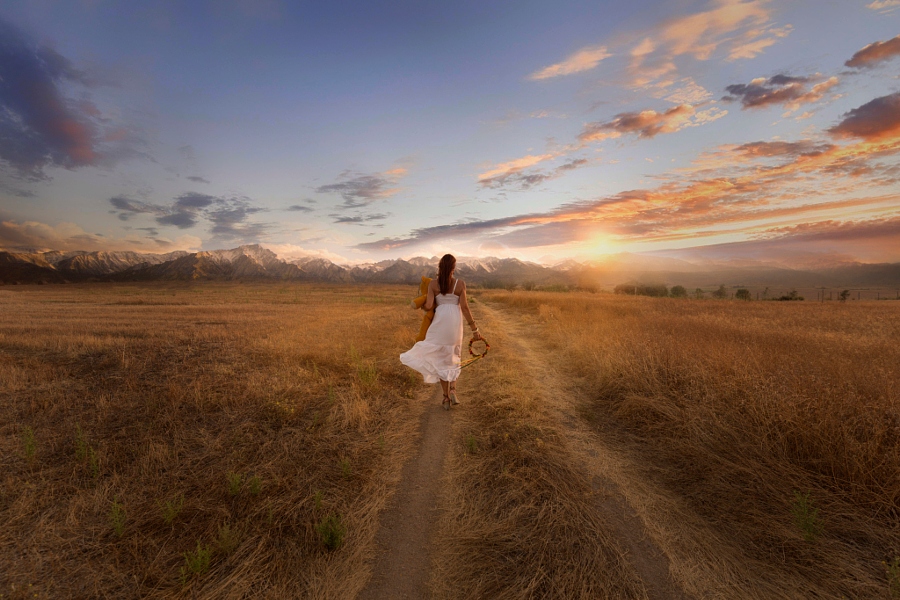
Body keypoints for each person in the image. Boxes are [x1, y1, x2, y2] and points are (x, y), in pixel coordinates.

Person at [400, 254, 483, 410]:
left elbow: (429, 305)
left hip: (439, 324)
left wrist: (422, 302)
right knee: (454, 356)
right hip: (454, 325)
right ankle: (453, 389)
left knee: (441, 359)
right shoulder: (460, 284)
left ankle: (445, 397)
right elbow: (465, 308)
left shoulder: (432, 284)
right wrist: (475, 330)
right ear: (453, 268)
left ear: (439, 267)